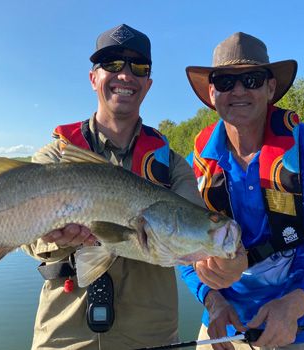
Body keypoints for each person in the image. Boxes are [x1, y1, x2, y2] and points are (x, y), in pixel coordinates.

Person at [22, 24, 248, 350]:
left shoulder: (173, 166)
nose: (125, 75)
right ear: (93, 78)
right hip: (64, 337)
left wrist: (228, 266)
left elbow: (190, 230)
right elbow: (20, 234)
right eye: (112, 64)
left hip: (151, 337)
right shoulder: (55, 157)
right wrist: (47, 238)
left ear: (148, 84)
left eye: (138, 67)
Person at [179, 32, 304, 350]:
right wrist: (212, 301)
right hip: (225, 332)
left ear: (271, 88)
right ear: (212, 92)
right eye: (226, 81)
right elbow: (182, 254)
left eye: (252, 79)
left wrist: (296, 304)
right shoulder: (194, 168)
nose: (239, 90)